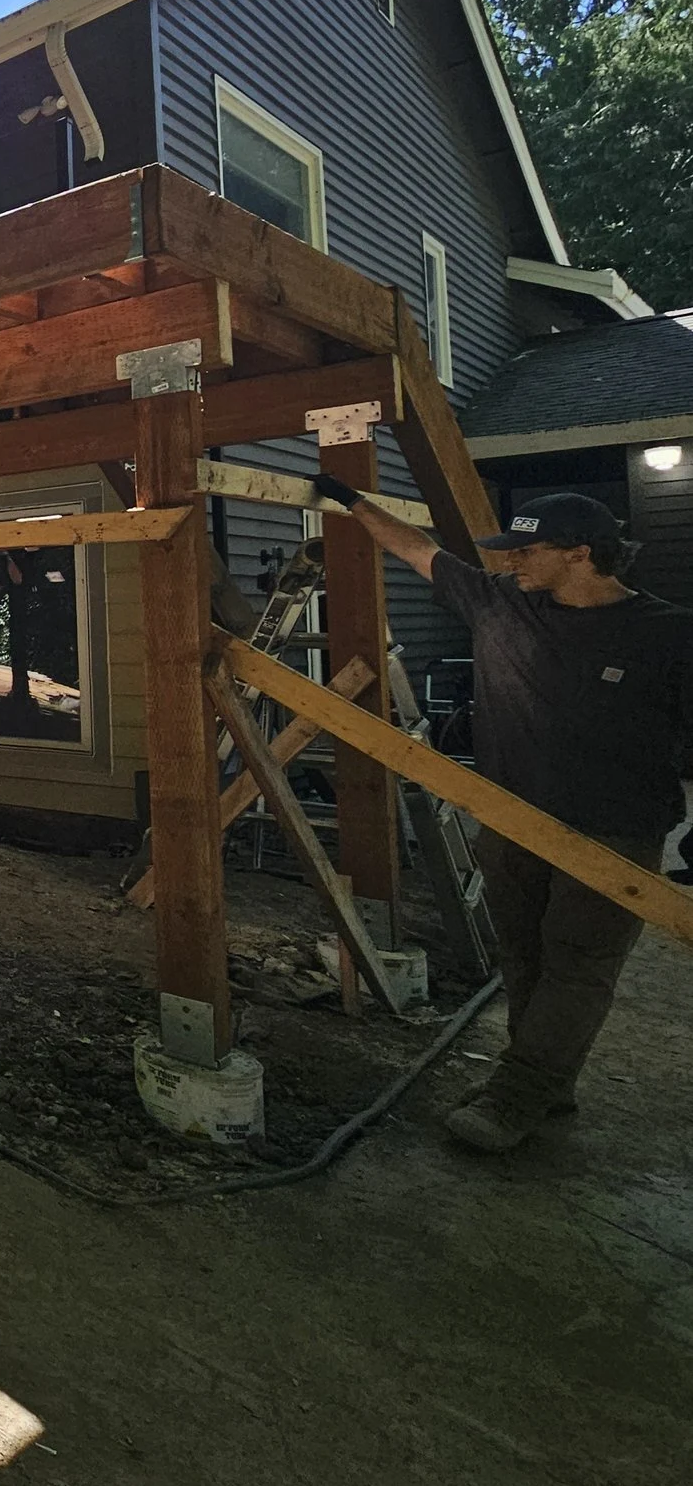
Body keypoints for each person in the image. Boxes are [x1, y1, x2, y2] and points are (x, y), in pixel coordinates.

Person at [307, 481, 693, 1151]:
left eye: (526, 550)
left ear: (580, 554)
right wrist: (351, 500)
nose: (511, 561)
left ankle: (515, 1098)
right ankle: (546, 1081)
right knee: (524, 956)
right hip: (511, 821)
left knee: (578, 966)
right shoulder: (498, 602)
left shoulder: (667, 634)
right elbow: (417, 548)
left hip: (611, 836)